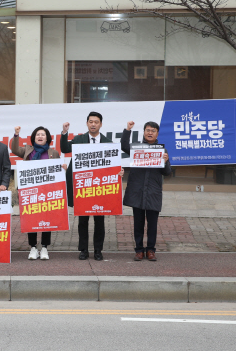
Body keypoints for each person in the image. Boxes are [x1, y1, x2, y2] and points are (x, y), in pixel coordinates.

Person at [61, 111, 111, 261]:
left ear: (101, 124)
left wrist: (119, 172)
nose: (93, 124)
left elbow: (111, 165)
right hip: (82, 187)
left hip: (99, 188)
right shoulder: (79, 139)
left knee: (99, 221)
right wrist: (64, 132)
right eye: (91, 121)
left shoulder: (107, 142)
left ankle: (98, 250)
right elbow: (64, 148)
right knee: (83, 221)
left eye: (96, 122)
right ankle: (83, 250)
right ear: (87, 123)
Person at [121, 120, 172, 261]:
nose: (150, 133)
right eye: (148, 130)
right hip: (137, 191)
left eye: (153, 131)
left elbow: (167, 172)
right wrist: (128, 130)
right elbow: (124, 145)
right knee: (138, 224)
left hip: (153, 192)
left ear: (157, 134)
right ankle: (139, 250)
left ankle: (150, 250)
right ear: (144, 132)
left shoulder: (162, 151)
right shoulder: (137, 148)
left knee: (152, 225)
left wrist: (166, 161)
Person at [11, 125, 61, 260]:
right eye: (38, 134)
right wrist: (16, 135)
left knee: (47, 220)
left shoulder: (53, 153)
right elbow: (14, 149)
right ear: (34, 137)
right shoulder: (28, 150)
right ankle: (33, 247)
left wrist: (63, 168)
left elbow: (57, 173)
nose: (40, 136)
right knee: (31, 219)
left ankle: (44, 247)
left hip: (47, 192)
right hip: (30, 192)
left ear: (47, 138)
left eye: (43, 134)